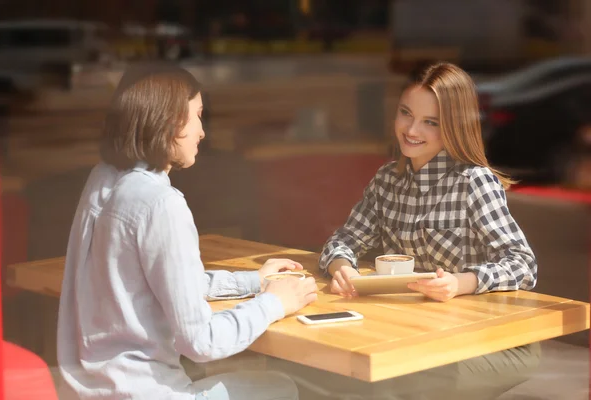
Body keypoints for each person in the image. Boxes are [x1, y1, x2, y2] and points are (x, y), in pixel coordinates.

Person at [269, 62, 541, 399]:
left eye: (430, 122)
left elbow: (522, 264)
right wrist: (344, 270)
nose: (411, 129)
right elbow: (343, 240)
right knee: (325, 363)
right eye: (405, 114)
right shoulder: (387, 180)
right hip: (414, 334)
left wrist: (459, 283)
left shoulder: (474, 182)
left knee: (388, 378)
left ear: (454, 127)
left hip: (492, 343)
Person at [56, 62, 318, 400]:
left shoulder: (102, 179)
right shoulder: (161, 203)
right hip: (145, 394)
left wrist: (254, 282)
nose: (202, 132)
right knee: (282, 387)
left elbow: (161, 284)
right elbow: (201, 341)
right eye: (197, 115)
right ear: (169, 121)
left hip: (89, 391)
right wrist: (274, 303)